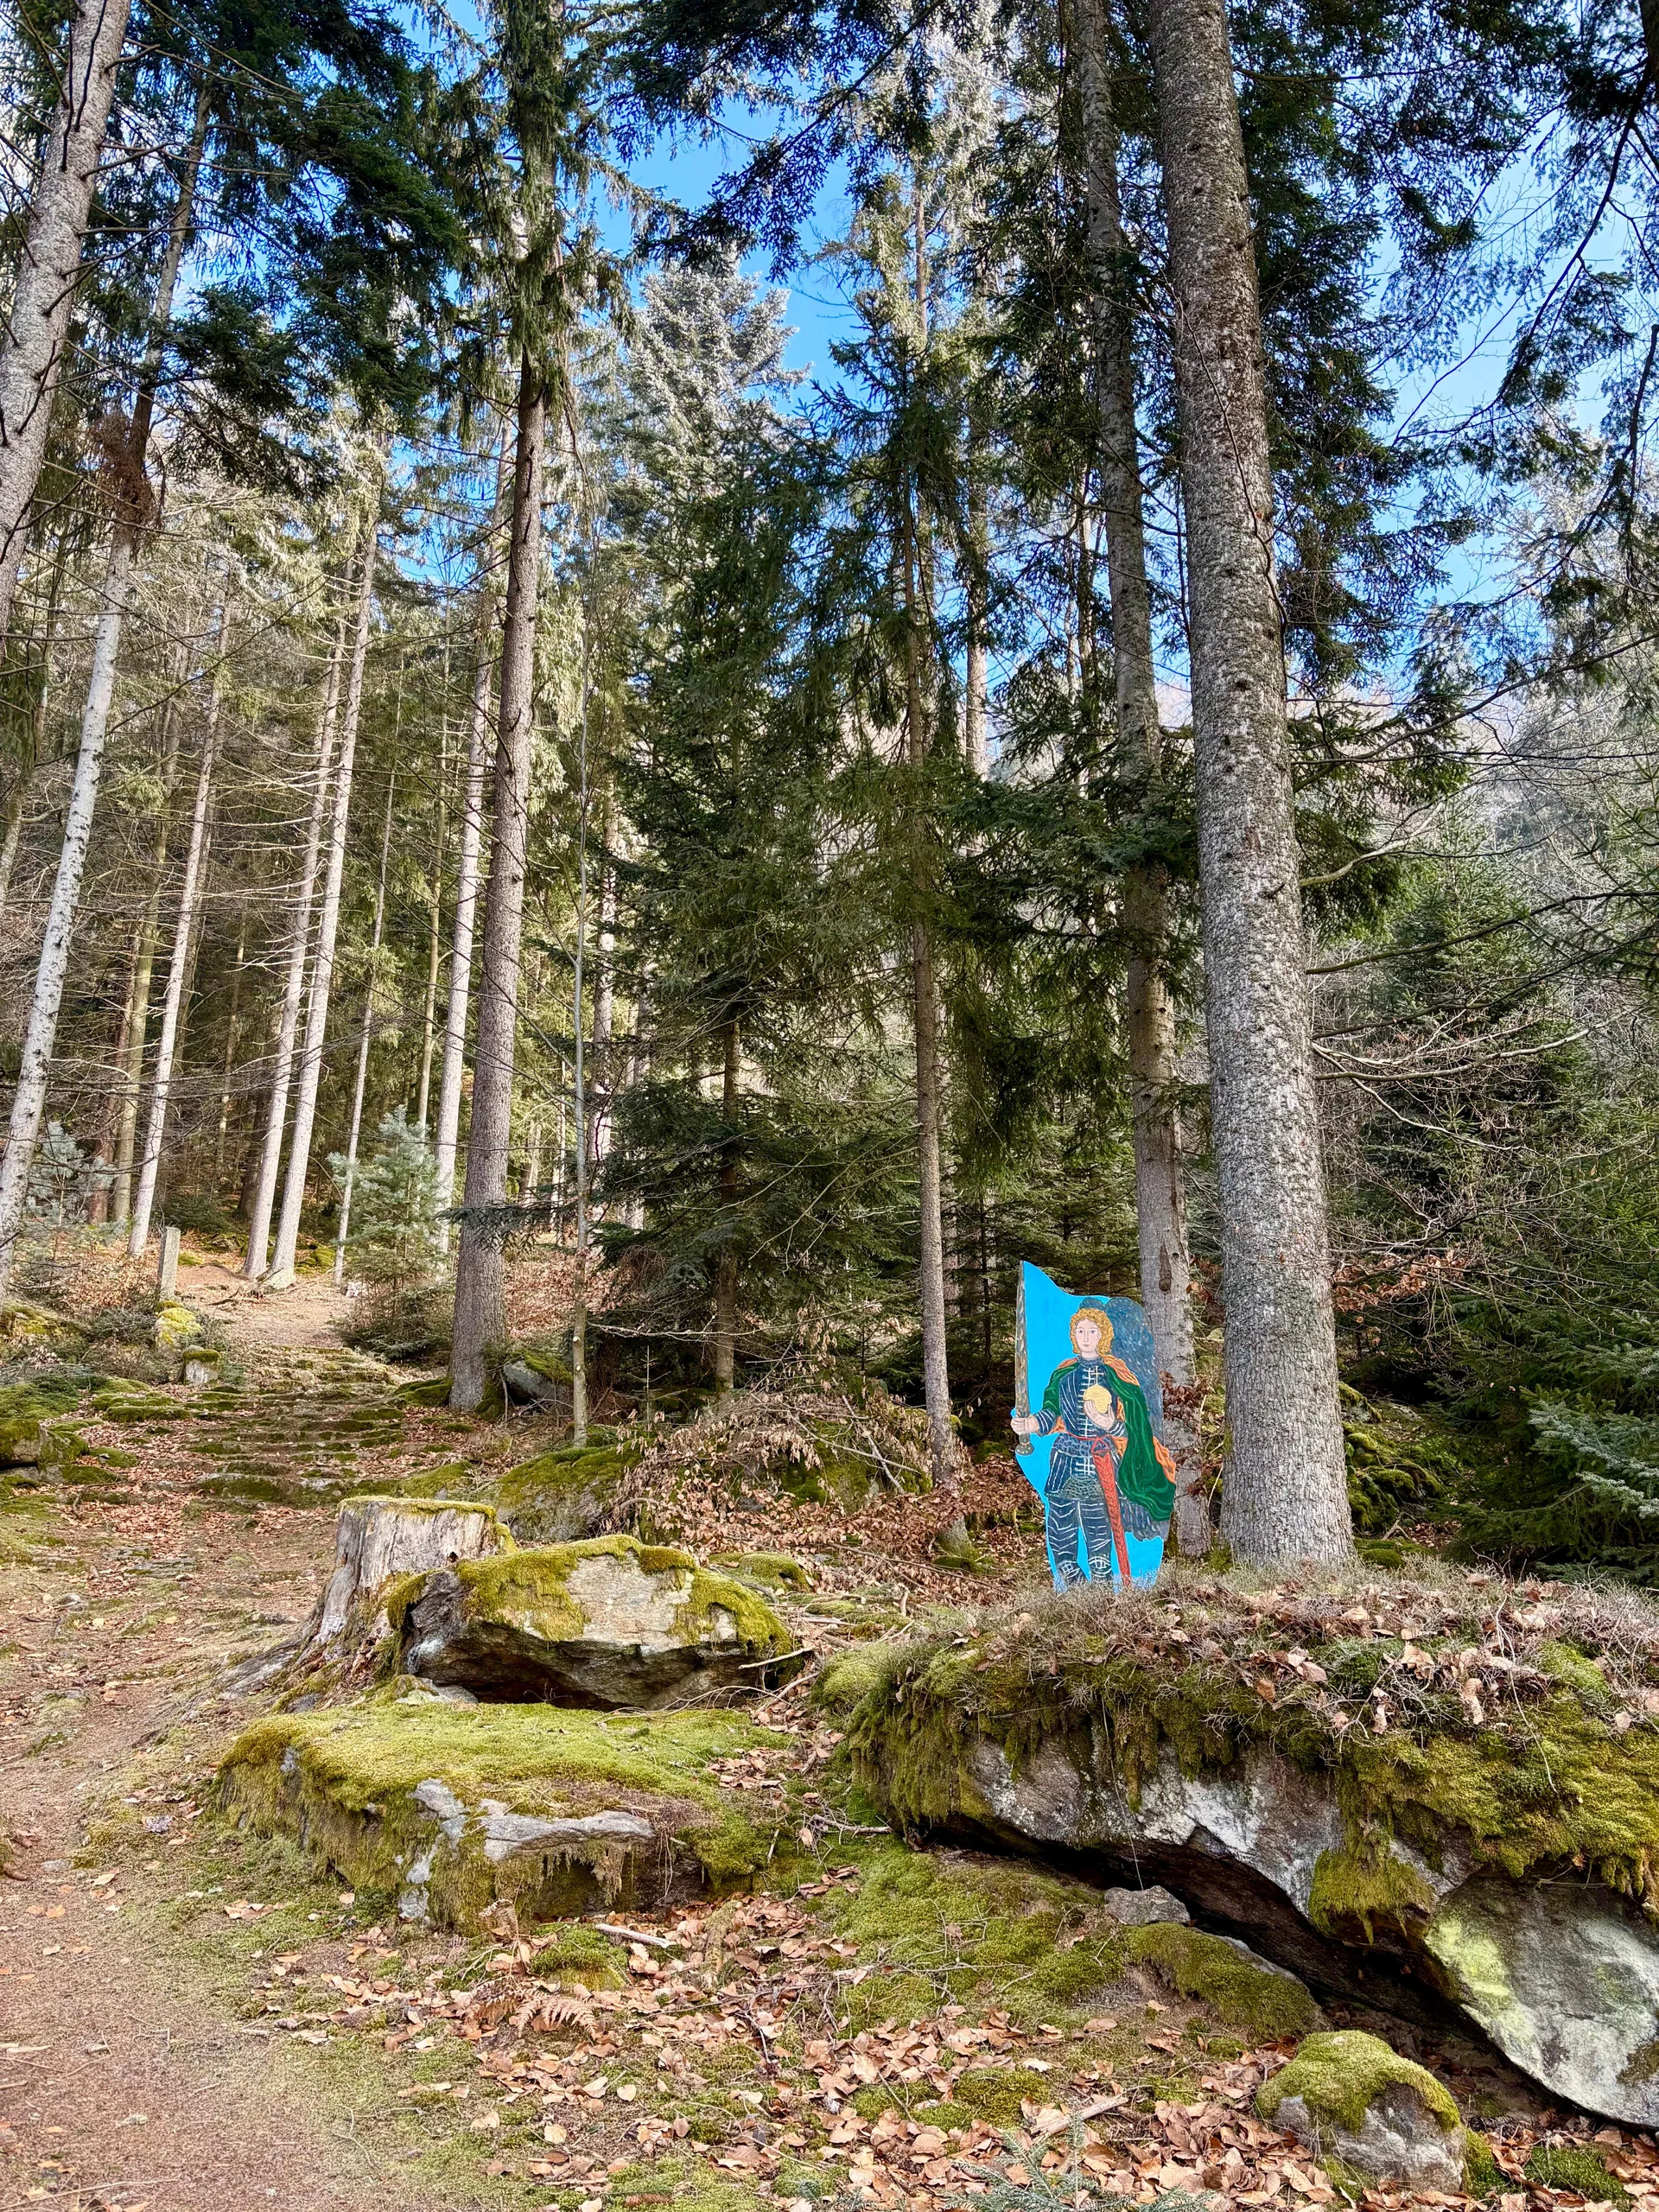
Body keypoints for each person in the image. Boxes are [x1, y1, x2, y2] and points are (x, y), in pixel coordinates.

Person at [1012, 1305, 1177, 1587]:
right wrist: (1032, 1425)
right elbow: (1052, 1412)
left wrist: (1109, 1423)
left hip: (1099, 1457)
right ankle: (1074, 1585)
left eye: (1092, 1331)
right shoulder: (1063, 1374)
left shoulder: (1117, 1375)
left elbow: (1134, 1427)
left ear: (1102, 1334)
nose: (1086, 1336)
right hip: (1065, 1456)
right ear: (1073, 1334)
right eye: (1081, 1331)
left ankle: (1100, 1589)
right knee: (1061, 1520)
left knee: (1096, 1522)